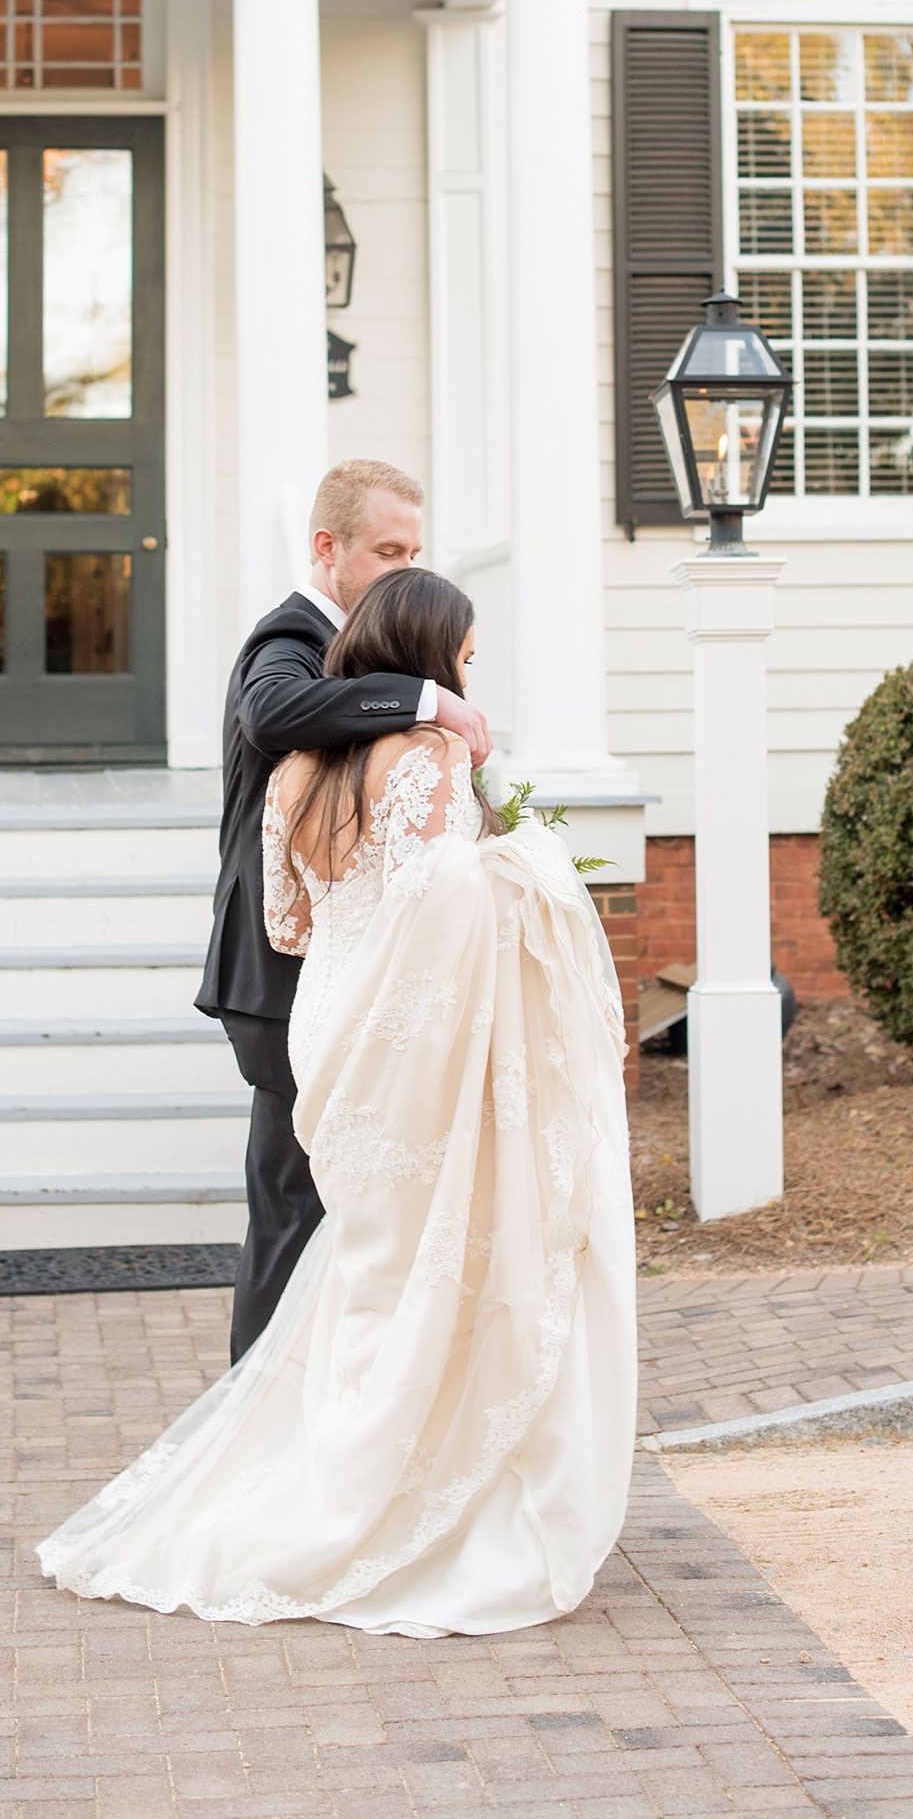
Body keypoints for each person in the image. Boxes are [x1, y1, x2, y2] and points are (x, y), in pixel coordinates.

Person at [40, 567, 634, 1635]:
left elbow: (291, 925)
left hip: (331, 1029)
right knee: (430, 1272)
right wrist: (526, 866)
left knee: (370, 1264)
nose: (468, 670)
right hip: (411, 1040)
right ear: (429, 653)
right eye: (462, 651)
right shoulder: (435, 755)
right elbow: (442, 916)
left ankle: (326, 1469)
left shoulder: (293, 773)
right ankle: (406, 1499)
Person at [195, 459, 492, 1362]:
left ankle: (306, 1405)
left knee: (321, 1209)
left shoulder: (358, 644)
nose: (405, 569)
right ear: (327, 549)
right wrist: (425, 696)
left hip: (333, 974)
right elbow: (276, 711)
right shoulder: (286, 637)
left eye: (415, 551)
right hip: (282, 976)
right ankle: (259, 1417)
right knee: (291, 1209)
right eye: (386, 551)